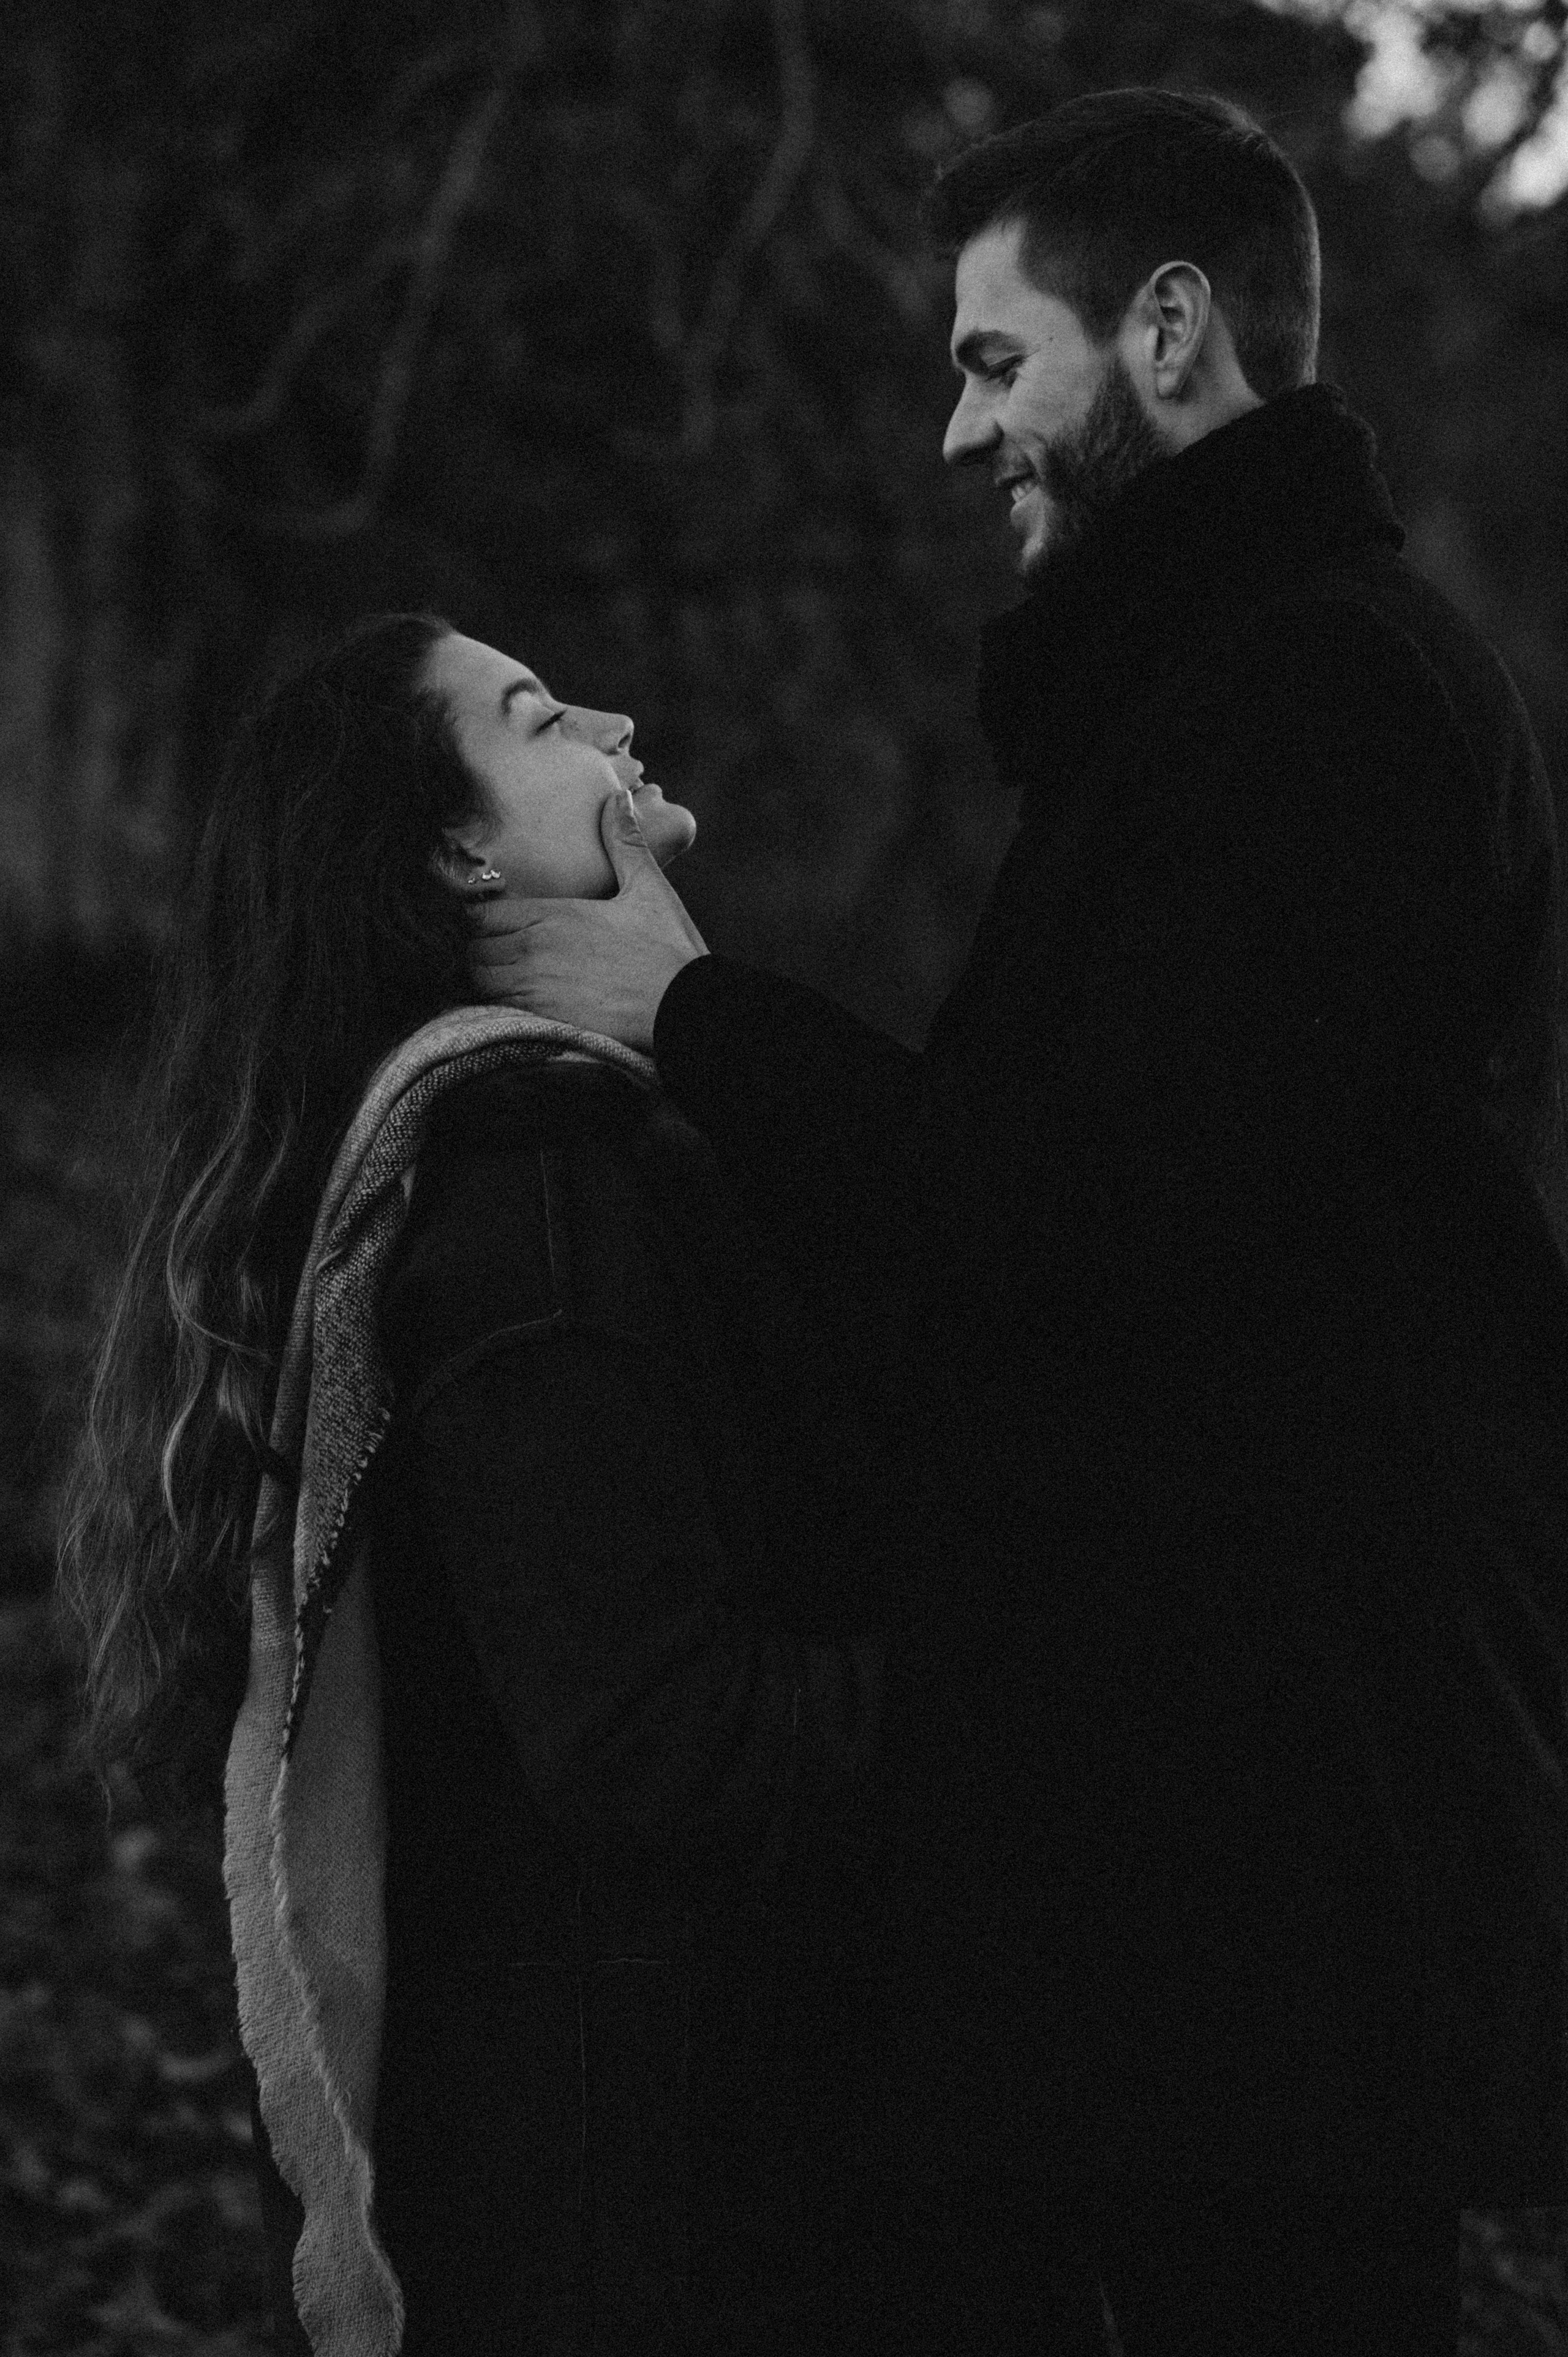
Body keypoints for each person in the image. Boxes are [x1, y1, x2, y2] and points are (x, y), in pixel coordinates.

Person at [464, 88, 1568, 2355]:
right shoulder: (1217, 688)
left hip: (1268, 1888)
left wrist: (695, 1016)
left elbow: (1070, 1223)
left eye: (993, 362)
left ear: (1170, 332)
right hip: (1203, 1868)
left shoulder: (1319, 695)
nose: (960, 435)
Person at [55, 612, 894, 2355]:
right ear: (456, 847)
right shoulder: (531, 1206)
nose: (615, 715)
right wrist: (1022, 1705)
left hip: (619, 2160)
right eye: (536, 716)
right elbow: (653, 1734)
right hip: (635, 2203)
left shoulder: (568, 1164)